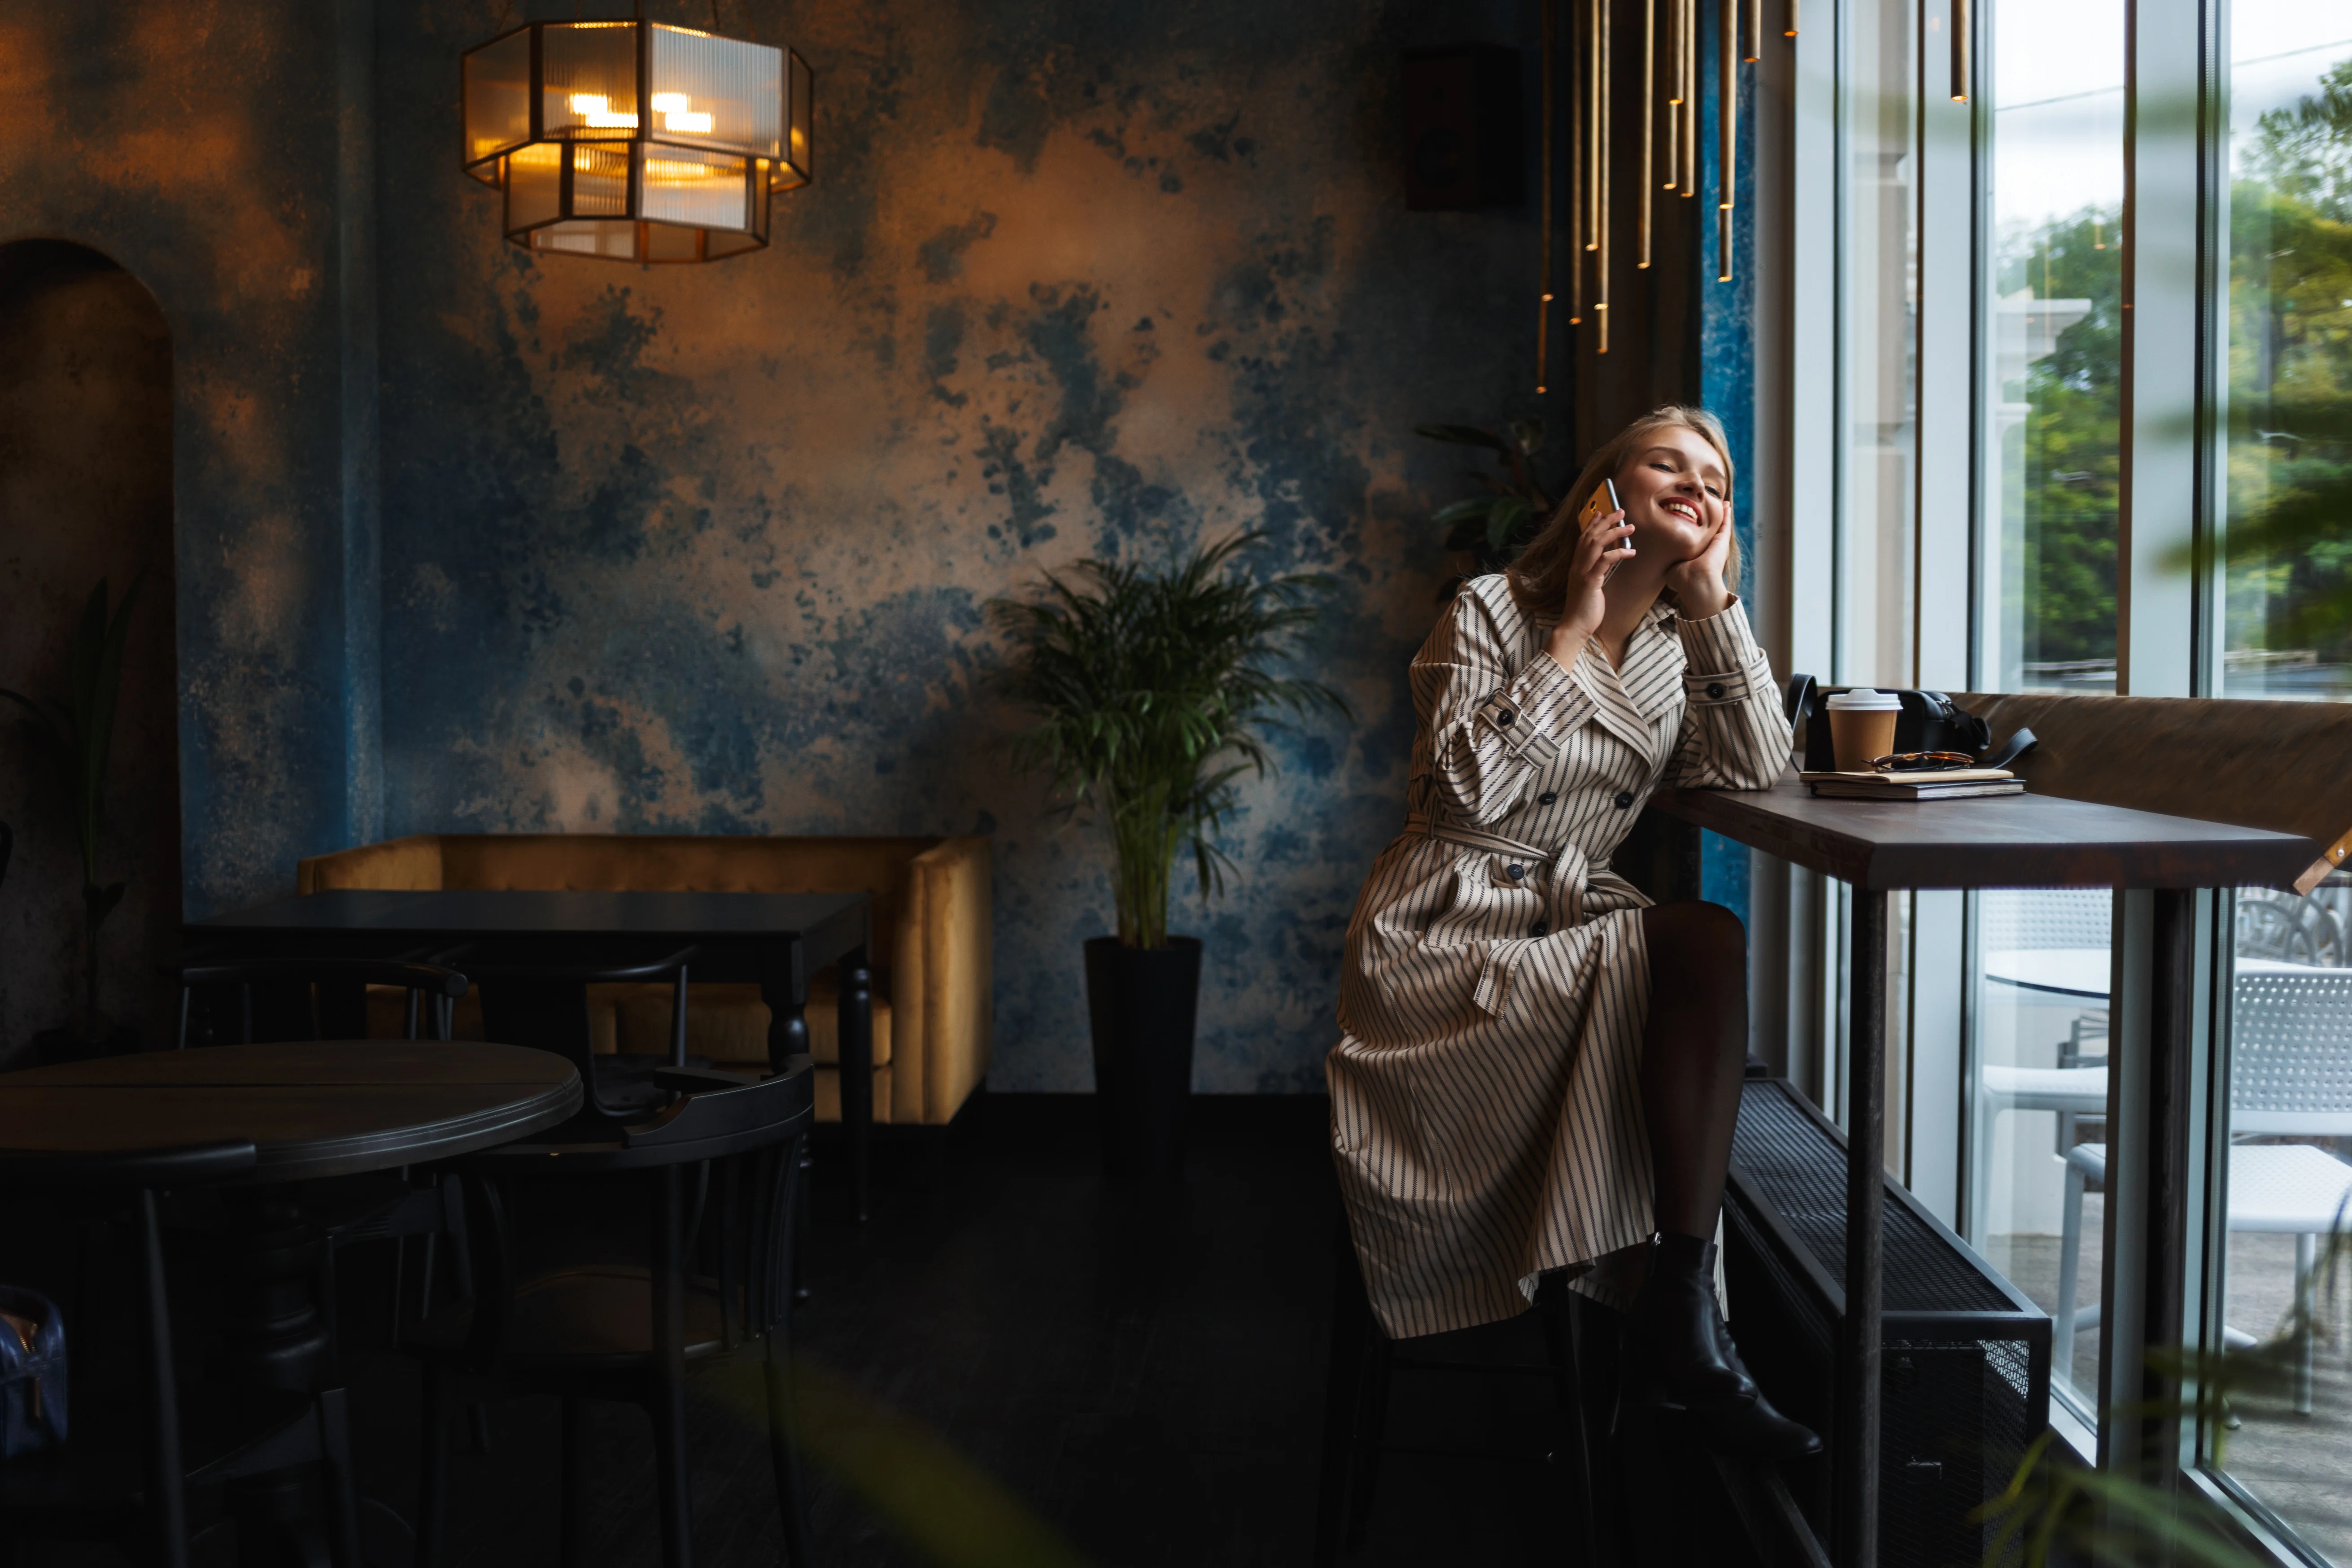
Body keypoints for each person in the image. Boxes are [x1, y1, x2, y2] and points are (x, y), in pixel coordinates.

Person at [1327, 405, 1818, 1458]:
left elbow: (1752, 769)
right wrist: (1566, 639)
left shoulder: (1679, 650)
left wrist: (1711, 605)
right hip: (1443, 938)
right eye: (1667, 464)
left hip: (1564, 927)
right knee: (1692, 948)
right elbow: (1466, 789)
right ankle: (1676, 1329)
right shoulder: (1491, 609)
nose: (1699, 486)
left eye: (1716, 481)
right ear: (1607, 492)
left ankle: (1678, 1307)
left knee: (1702, 939)